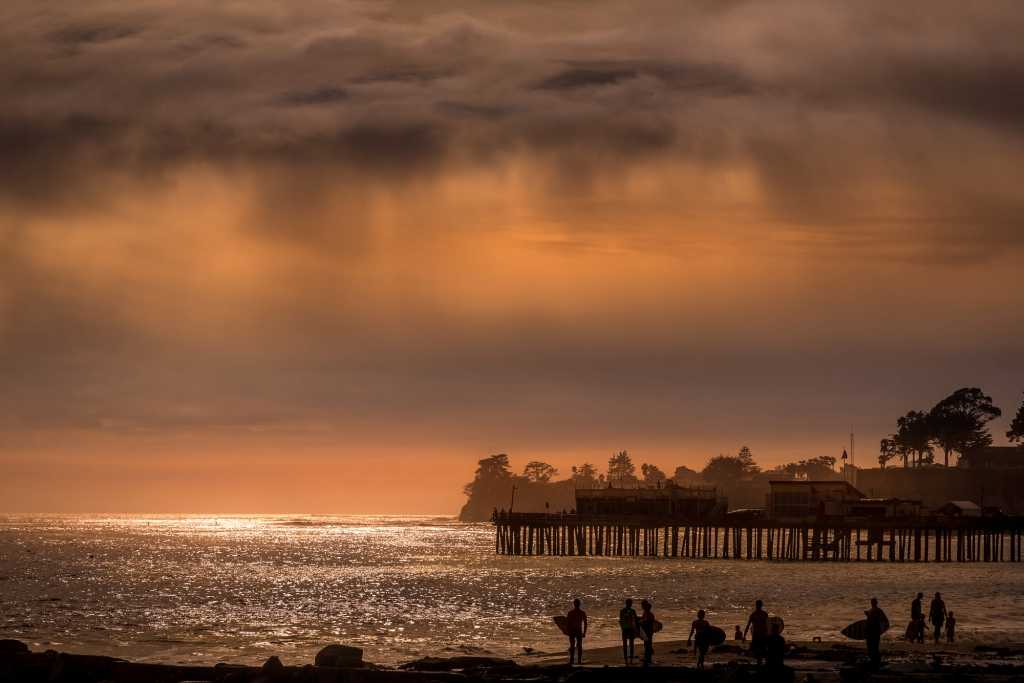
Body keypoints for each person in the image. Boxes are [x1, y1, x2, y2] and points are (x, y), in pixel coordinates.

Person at [743, 599, 769, 665]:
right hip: (756, 635)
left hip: (763, 635)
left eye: (759, 605)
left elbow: (768, 625)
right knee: (758, 652)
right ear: (756, 605)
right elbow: (748, 625)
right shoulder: (753, 615)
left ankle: (763, 664)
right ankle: (759, 664)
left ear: (761, 605)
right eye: (758, 605)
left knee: (764, 651)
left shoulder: (764, 614)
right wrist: (744, 635)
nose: (758, 606)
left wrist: (768, 634)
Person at [865, 597, 888, 668]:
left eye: (873, 602)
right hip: (871, 631)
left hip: (875, 631)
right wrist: (867, 615)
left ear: (875, 603)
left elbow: (884, 620)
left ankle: (876, 661)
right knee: (871, 646)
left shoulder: (878, 610)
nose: (872, 603)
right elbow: (869, 621)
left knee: (874, 646)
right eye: (872, 602)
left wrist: (882, 628)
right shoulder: (870, 610)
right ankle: (873, 660)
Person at [566, 598, 587, 666]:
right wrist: (584, 632)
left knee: (573, 645)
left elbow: (567, 624)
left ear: (574, 604)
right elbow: (586, 623)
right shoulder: (582, 613)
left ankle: (572, 660)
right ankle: (579, 661)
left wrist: (567, 631)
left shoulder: (570, 613)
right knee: (579, 646)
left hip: (573, 631)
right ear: (579, 604)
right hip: (578, 630)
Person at [619, 598, 639, 664]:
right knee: (631, 644)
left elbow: (620, 621)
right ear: (630, 604)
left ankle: (626, 660)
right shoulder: (632, 611)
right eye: (630, 603)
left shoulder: (622, 611)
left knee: (625, 644)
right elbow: (636, 620)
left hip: (625, 629)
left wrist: (622, 627)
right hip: (630, 628)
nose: (630, 604)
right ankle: (630, 660)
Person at [639, 599, 656, 667]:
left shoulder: (649, 614)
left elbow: (647, 621)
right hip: (646, 631)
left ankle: (648, 658)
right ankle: (647, 658)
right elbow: (644, 619)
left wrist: (641, 621)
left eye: (642, 605)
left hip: (648, 631)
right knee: (647, 644)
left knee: (648, 644)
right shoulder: (645, 613)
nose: (642, 606)